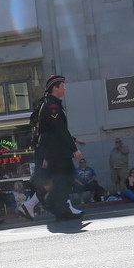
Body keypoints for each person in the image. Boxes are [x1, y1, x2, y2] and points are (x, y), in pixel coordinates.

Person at [34, 74, 83, 220]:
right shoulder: (52, 105)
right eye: (62, 86)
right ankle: (54, 205)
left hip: (56, 150)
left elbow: (56, 129)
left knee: (65, 178)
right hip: (56, 151)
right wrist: (74, 149)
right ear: (55, 88)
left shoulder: (52, 103)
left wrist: (73, 140)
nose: (65, 89)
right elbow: (59, 129)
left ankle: (58, 208)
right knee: (65, 178)